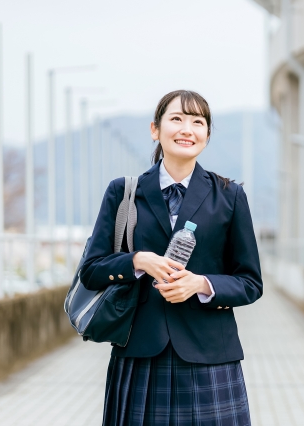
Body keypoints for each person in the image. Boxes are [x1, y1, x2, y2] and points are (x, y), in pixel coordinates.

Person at [81, 89, 263, 426]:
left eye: (197, 122)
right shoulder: (124, 193)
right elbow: (91, 271)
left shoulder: (229, 195)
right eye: (176, 119)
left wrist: (201, 284)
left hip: (210, 355)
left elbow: (250, 283)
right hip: (140, 351)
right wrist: (138, 261)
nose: (187, 129)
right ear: (156, 129)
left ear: (207, 134)